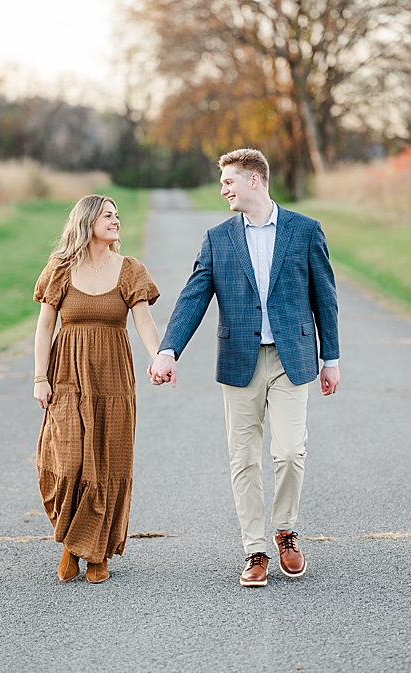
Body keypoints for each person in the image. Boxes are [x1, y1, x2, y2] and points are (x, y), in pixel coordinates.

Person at [149, 148, 340, 587]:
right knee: (244, 459)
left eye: (229, 181)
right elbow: (194, 296)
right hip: (240, 362)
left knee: (290, 452)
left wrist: (331, 359)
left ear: (254, 179)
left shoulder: (306, 231)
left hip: (292, 360)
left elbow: (324, 299)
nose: (223, 189)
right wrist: (168, 350)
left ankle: (286, 531)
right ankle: (255, 549)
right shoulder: (218, 238)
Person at [33, 194, 163, 584]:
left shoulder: (130, 270)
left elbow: (143, 322)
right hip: (67, 377)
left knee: (107, 463)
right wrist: (40, 377)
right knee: (66, 460)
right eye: (107, 215)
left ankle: (97, 553)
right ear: (87, 221)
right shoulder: (59, 268)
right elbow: (44, 326)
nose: (115, 220)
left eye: (117, 215)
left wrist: (159, 357)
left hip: (114, 380)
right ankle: (72, 542)